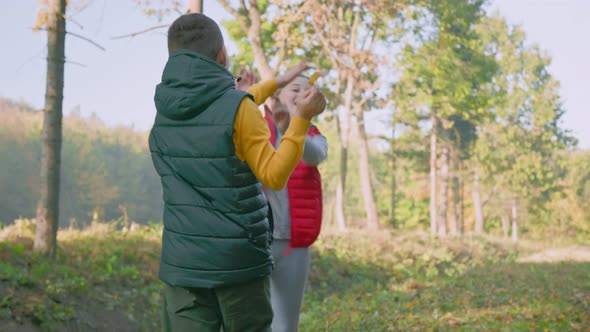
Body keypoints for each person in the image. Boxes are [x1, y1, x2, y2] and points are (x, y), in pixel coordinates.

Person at [148, 13, 326, 332]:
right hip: (238, 266)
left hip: (182, 268)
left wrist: (276, 82)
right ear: (221, 56)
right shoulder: (239, 110)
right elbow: (272, 175)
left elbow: (228, 105)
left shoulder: (164, 111)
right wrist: (301, 120)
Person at [238, 72, 328, 332]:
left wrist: (293, 124)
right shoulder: (255, 127)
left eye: (307, 91)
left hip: (295, 243)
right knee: (249, 318)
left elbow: (313, 156)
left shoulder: (313, 135)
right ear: (275, 95)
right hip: (256, 240)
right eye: (295, 90)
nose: (302, 96)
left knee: (286, 323)